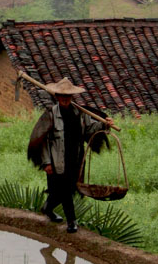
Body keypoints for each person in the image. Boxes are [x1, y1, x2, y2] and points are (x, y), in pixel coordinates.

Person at [26, 77, 116, 232]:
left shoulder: (80, 113)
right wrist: (46, 163)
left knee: (64, 190)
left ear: (72, 97)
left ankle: (47, 208)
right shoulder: (51, 115)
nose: (65, 99)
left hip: (76, 158)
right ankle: (72, 222)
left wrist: (104, 124)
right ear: (57, 97)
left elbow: (90, 129)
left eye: (68, 97)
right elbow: (43, 140)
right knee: (65, 191)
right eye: (62, 96)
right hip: (57, 160)